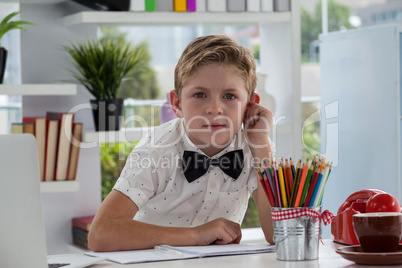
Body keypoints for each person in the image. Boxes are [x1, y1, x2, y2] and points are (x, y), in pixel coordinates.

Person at [88, 34, 275, 252]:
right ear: (177, 103)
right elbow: (100, 234)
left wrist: (261, 146)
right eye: (200, 94)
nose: (214, 109)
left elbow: (278, 234)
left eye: (230, 96)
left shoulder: (256, 147)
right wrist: (196, 235)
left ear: (250, 105)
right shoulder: (156, 149)